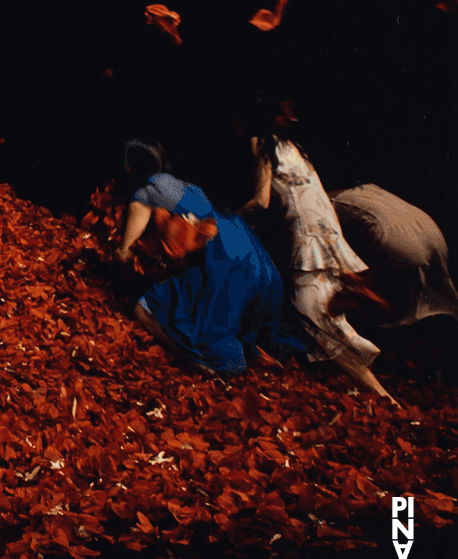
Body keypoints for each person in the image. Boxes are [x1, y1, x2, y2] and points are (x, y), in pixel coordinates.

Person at [238, 112, 395, 401]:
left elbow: (262, 201)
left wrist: (232, 219)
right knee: (321, 318)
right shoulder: (291, 146)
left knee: (318, 318)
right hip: (328, 232)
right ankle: (349, 291)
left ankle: (383, 396)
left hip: (306, 240)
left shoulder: (260, 144)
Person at [116, 139, 302, 377]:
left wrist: (119, 254)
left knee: (144, 309)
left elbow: (124, 255)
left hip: (222, 259)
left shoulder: (145, 194)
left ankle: (195, 361)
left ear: (129, 169)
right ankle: (253, 352)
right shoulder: (189, 188)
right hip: (249, 251)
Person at [330, 184, 457, 325]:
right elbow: (353, 284)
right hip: (343, 206)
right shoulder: (395, 256)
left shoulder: (437, 252)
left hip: (363, 194)